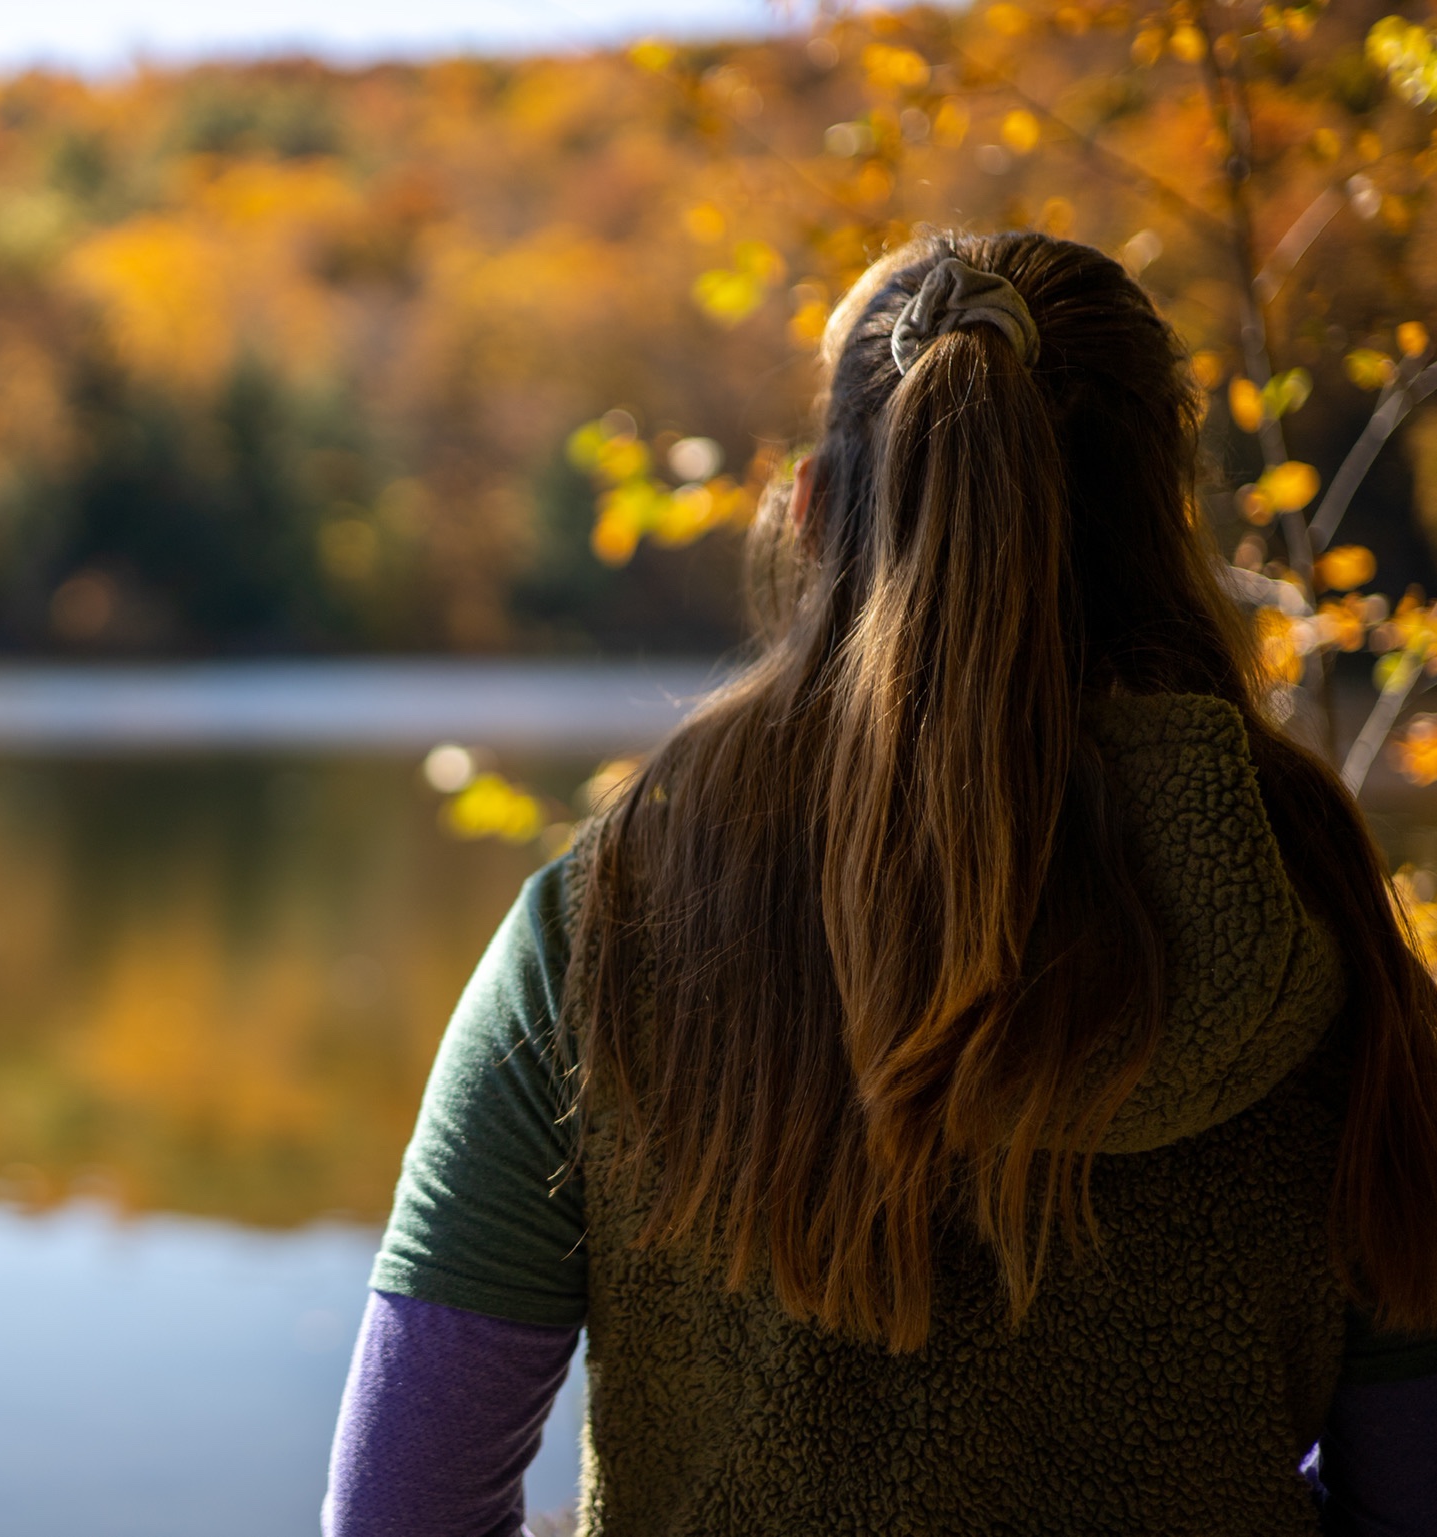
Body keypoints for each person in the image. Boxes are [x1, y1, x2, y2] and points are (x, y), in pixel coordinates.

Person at [323, 230, 1437, 1536]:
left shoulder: (611, 918)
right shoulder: (1318, 916)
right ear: (1166, 517)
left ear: (809, 508)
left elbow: (401, 1506)